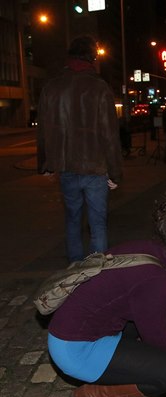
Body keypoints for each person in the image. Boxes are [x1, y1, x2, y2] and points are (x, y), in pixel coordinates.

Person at [47, 191, 166, 397]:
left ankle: (135, 377)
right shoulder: (156, 279)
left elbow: (155, 313)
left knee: (165, 314)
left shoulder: (150, 250)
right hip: (75, 349)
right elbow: (161, 342)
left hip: (73, 331)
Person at [37, 35, 123, 263]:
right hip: (95, 167)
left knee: (72, 219)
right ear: (92, 57)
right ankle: (96, 271)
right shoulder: (99, 87)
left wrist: (45, 163)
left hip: (66, 167)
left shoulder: (52, 87)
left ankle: (75, 269)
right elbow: (109, 134)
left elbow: (44, 129)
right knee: (97, 223)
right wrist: (115, 173)